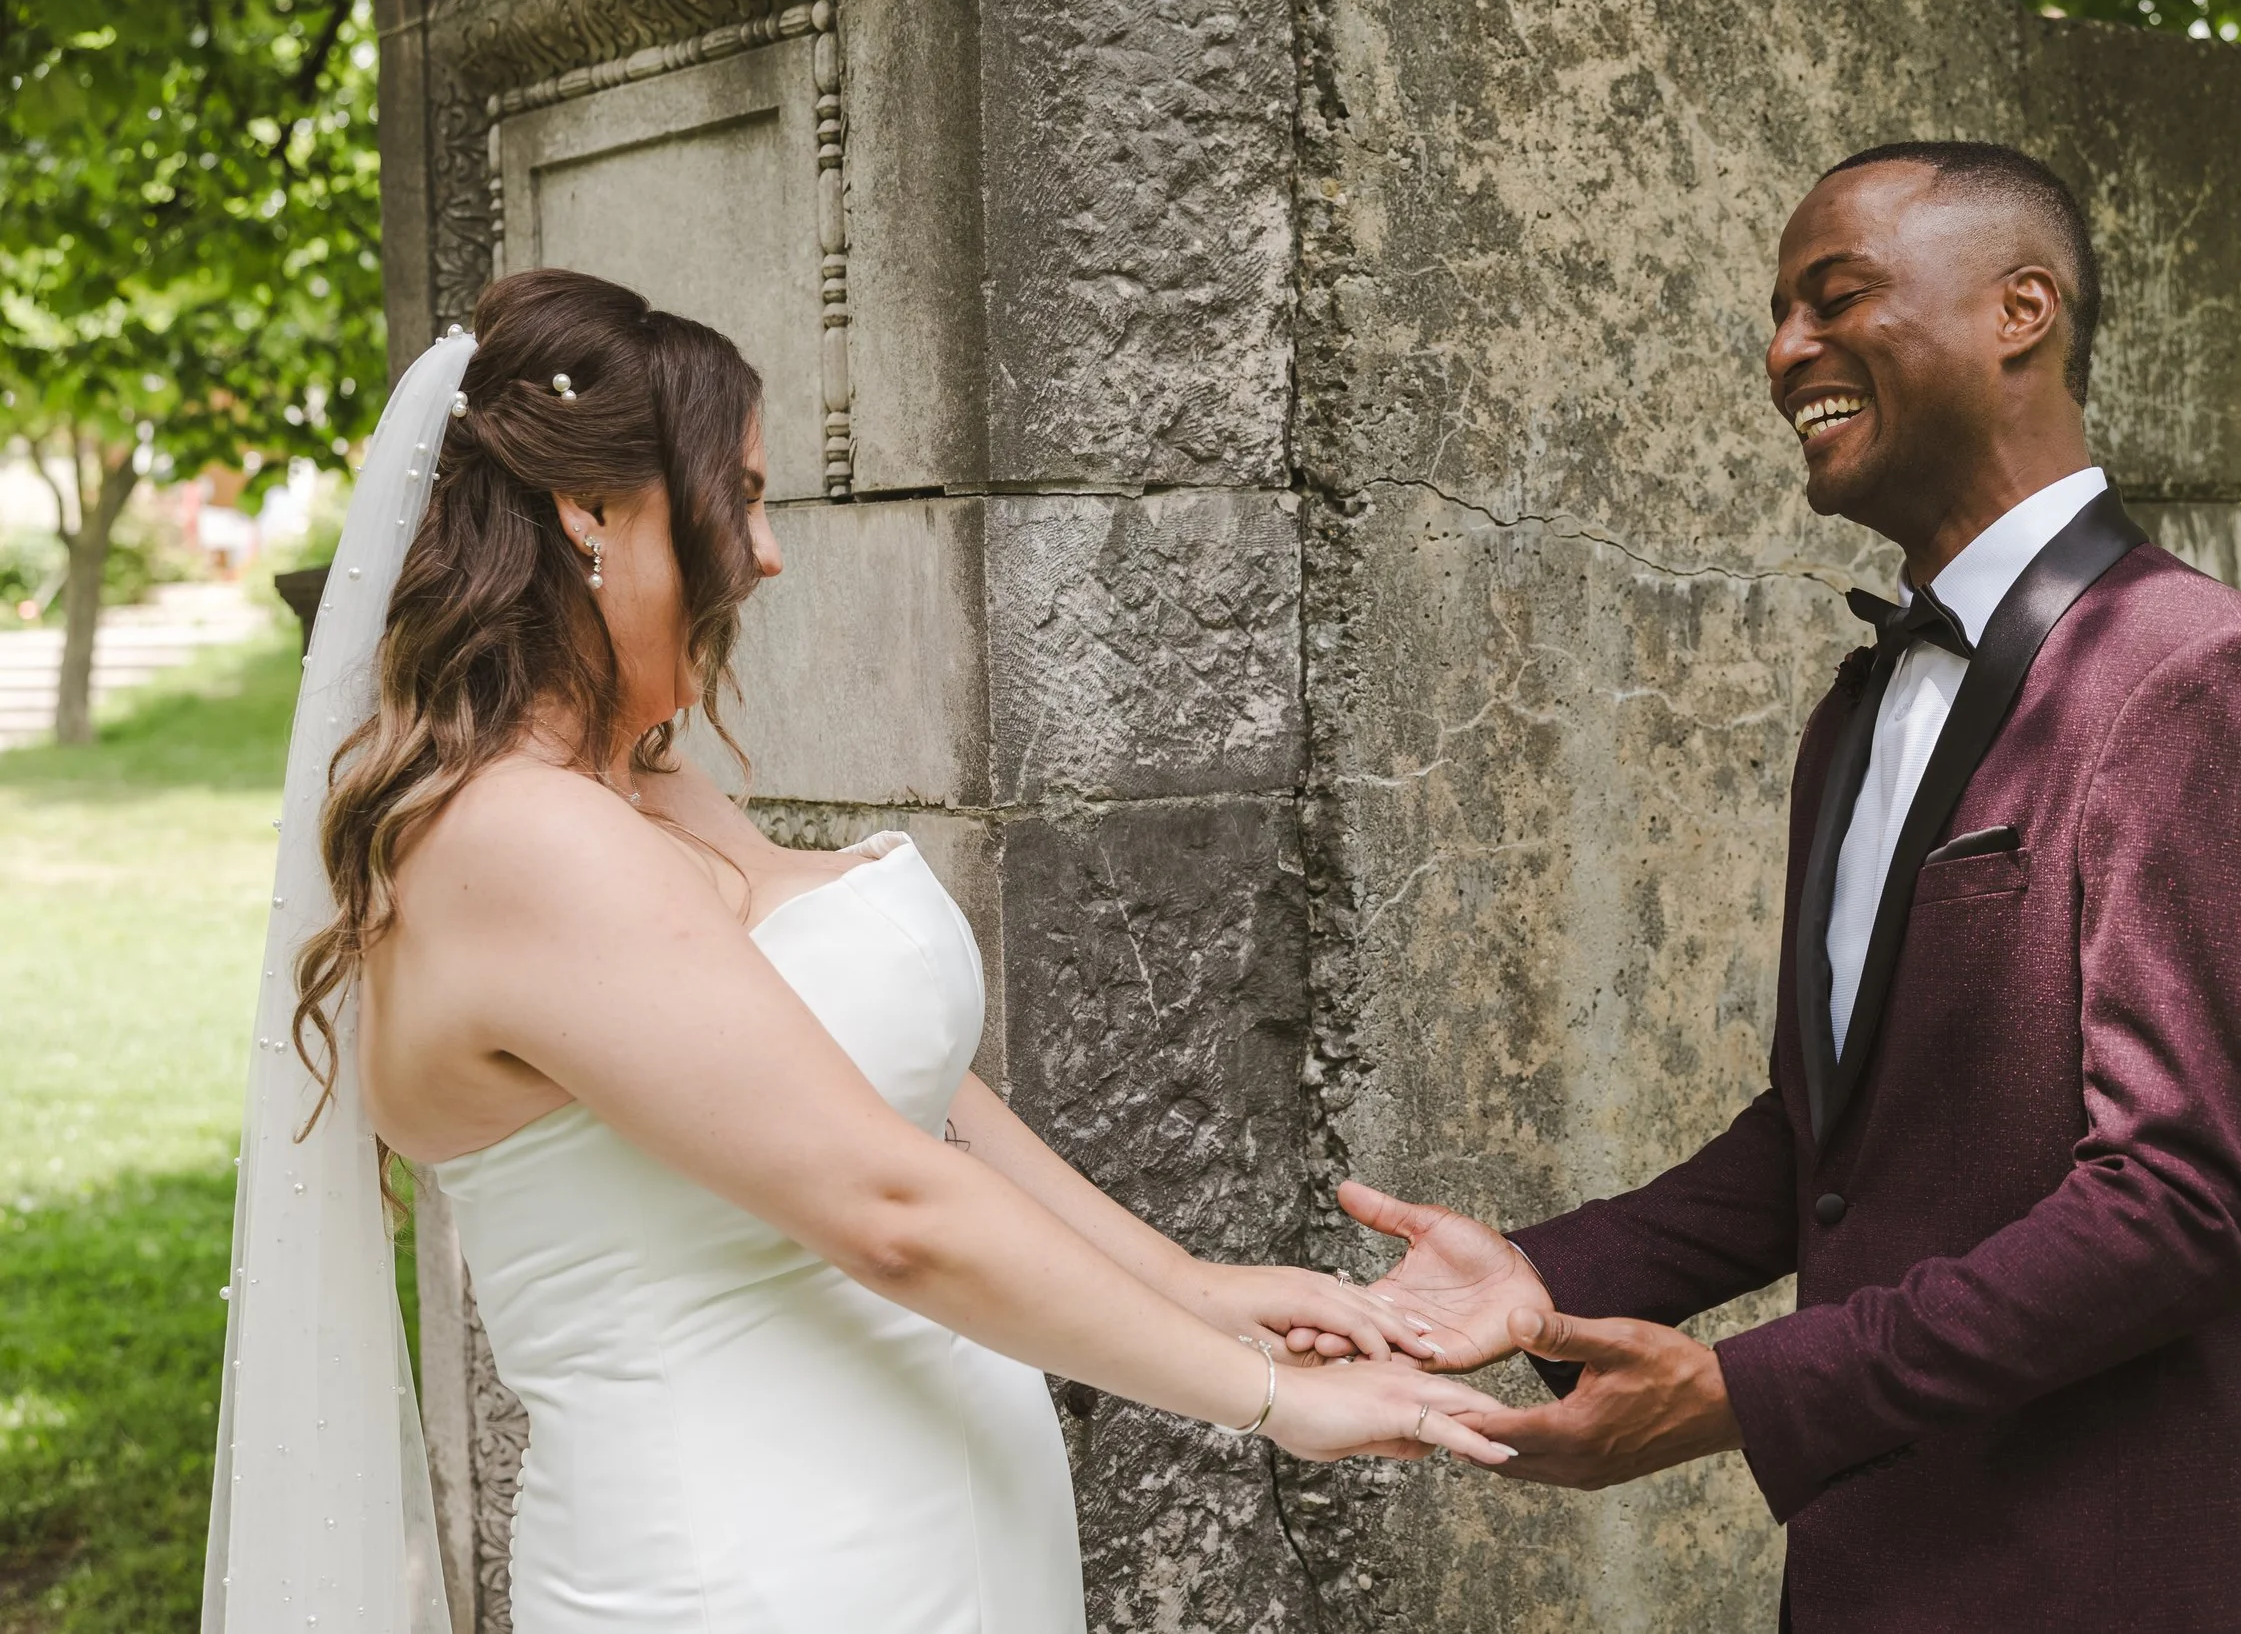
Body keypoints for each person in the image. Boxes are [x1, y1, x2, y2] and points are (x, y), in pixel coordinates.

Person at [204, 267, 1510, 1634]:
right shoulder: (523, 844)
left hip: (931, 1535)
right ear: (588, 512)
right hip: (753, 1569)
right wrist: (1274, 1401)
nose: (765, 551)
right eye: (741, 493)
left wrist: (1202, 1288)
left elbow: (897, 1089)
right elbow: (891, 1206)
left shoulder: (646, 798)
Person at [1326, 142, 2241, 1633]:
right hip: (1878, 1569)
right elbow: (1834, 1141)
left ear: (2023, 309)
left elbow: (2182, 1205)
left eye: (1837, 297)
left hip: (2111, 1574)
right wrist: (1538, 1275)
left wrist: (1742, 1392)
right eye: (1777, 312)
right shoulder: (1862, 708)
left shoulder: (2201, 680)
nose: (1783, 351)